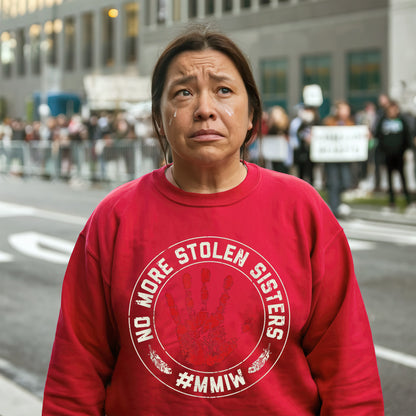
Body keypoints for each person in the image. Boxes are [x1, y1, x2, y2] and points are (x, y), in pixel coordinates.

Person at [42, 27, 384, 415]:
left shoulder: (302, 209)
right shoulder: (114, 219)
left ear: (252, 111)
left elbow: (349, 375)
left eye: (223, 90)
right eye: (183, 92)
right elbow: (75, 377)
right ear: (159, 116)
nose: (205, 108)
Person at [374, 100, 412, 207]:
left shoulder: (402, 121)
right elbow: (378, 135)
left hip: (399, 154)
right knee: (389, 177)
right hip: (387, 154)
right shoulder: (383, 121)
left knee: (403, 177)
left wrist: (407, 151)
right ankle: (391, 199)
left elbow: (407, 136)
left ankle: (407, 198)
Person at [322, 100, 355, 217]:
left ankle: (338, 203)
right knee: (333, 182)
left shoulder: (351, 123)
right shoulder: (329, 122)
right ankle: (334, 207)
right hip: (331, 159)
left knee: (345, 182)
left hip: (345, 159)